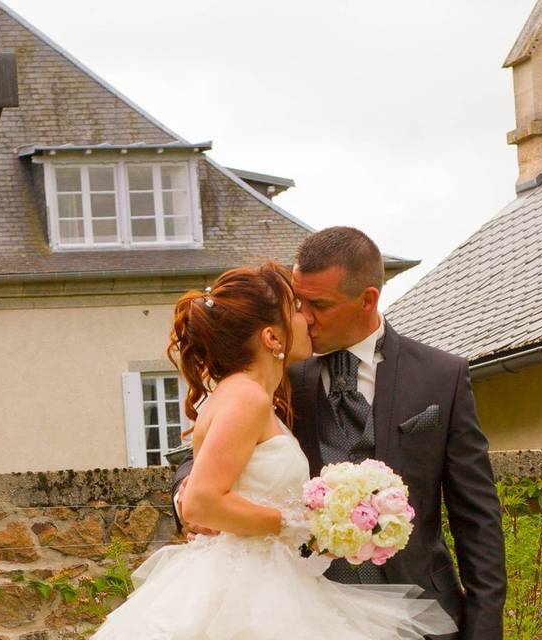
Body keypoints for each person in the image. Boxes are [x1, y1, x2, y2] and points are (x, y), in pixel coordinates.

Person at [91, 262, 456, 639]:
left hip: (269, 578)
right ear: (271, 338)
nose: (307, 318)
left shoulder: (251, 394)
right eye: (296, 309)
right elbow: (201, 502)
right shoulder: (246, 396)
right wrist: (300, 524)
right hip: (246, 590)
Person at [175, 228, 506, 640]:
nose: (306, 317)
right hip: (301, 607)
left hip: (419, 610)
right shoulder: (276, 372)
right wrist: (187, 498)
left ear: (367, 299)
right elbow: (203, 456)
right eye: (298, 303)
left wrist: (485, 628)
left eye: (319, 305)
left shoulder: (441, 376)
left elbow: (476, 517)